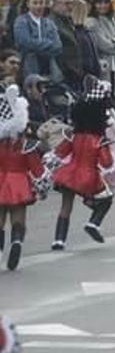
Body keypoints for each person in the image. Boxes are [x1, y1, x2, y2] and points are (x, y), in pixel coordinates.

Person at [50, 80, 115, 249]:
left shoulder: (74, 135)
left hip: (68, 173)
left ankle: (59, 240)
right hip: (88, 175)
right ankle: (93, 223)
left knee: (66, 207)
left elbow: (60, 152)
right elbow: (107, 163)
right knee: (107, 199)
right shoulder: (100, 140)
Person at [0, 85, 47, 270]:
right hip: (19, 183)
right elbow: (37, 169)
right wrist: (42, 185)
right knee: (19, 219)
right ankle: (17, 242)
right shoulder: (27, 145)